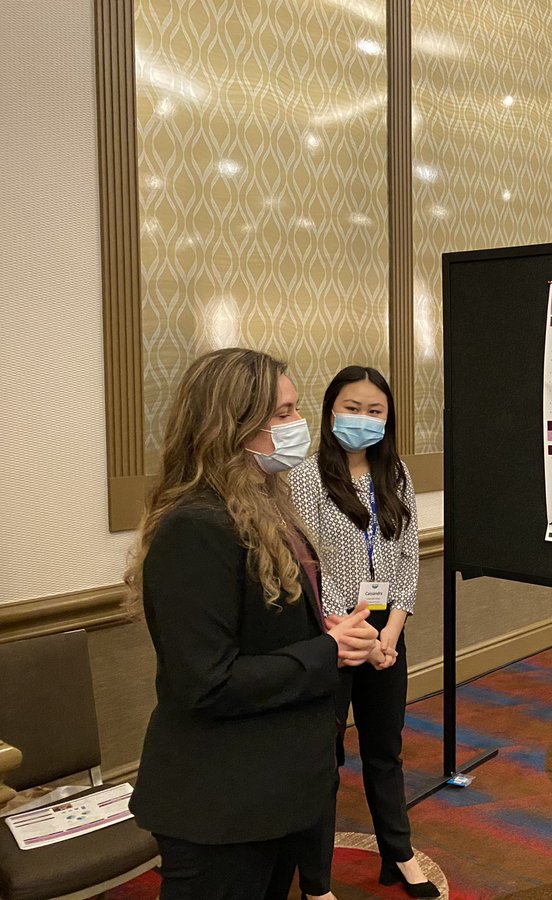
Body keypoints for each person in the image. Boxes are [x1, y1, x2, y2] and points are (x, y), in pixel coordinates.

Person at [127, 348, 380, 900]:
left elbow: (262, 627)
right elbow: (205, 682)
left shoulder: (264, 504)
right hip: (220, 805)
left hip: (272, 790)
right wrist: (326, 653)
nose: (299, 426)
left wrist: (326, 632)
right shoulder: (195, 527)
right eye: (284, 414)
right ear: (232, 427)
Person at [290, 365, 437, 899]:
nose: (363, 419)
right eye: (352, 408)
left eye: (375, 411)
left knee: (385, 749)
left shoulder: (394, 473)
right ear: (331, 410)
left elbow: (407, 558)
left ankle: (397, 854)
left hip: (386, 629)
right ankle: (315, 880)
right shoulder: (303, 478)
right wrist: (357, 637)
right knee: (323, 761)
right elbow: (308, 568)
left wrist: (390, 634)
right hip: (330, 633)